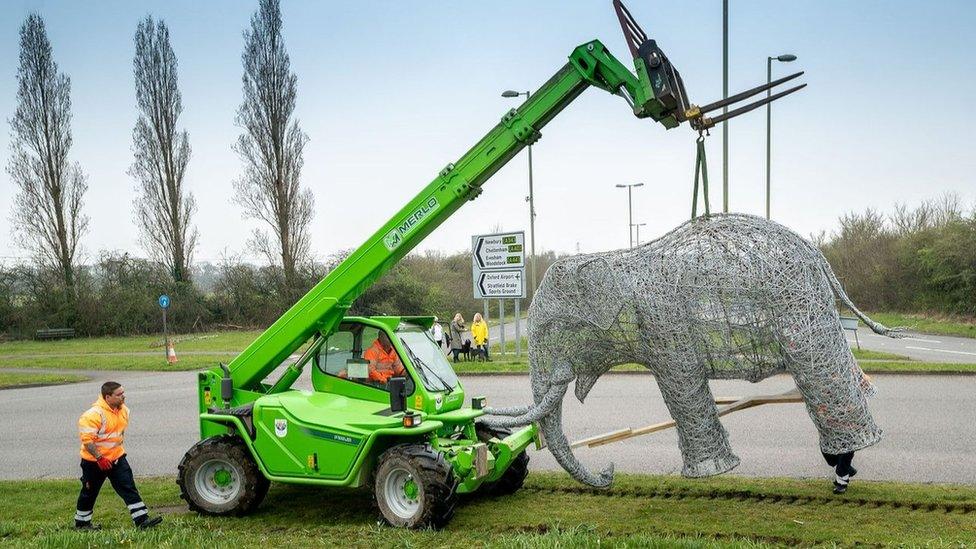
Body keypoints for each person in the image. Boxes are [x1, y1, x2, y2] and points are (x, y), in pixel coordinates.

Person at [74, 382, 162, 530]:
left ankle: (142, 521)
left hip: (117, 460)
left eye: (123, 393)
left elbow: (119, 434)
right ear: (108, 397)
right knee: (89, 492)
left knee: (128, 487)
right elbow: (87, 441)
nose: (123, 396)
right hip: (94, 462)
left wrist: (116, 455)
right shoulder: (93, 415)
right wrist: (100, 458)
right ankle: (82, 524)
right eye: (119, 394)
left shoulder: (124, 411)